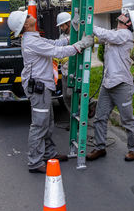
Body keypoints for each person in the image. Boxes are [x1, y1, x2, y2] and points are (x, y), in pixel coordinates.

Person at [7, 10, 94, 174]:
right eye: (27, 16)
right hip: (39, 87)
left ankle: (49, 154)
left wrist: (71, 40)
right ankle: (35, 161)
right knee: (39, 124)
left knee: (47, 122)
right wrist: (80, 45)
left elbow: (54, 44)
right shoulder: (31, 41)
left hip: (43, 86)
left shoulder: (34, 37)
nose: (30, 15)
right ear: (25, 24)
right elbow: (58, 52)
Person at [86, 9, 134, 162]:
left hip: (121, 85)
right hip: (108, 84)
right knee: (100, 117)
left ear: (129, 23)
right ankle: (100, 147)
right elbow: (103, 38)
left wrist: (89, 24)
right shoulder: (116, 33)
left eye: (126, 15)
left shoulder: (125, 35)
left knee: (127, 120)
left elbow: (107, 36)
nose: (122, 14)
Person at [55, 11, 71, 112]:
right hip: (65, 70)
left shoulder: (77, 35)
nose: (61, 28)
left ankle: (81, 115)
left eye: (62, 25)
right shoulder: (62, 36)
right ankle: (74, 119)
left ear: (68, 23)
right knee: (65, 97)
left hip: (74, 71)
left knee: (71, 94)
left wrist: (70, 57)